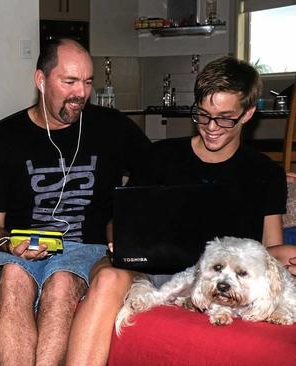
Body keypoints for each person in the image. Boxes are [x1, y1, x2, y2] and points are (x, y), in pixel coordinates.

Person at [66, 56, 296, 366]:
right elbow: (121, 220)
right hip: (152, 270)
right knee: (107, 278)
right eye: (203, 115)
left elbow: (268, 250)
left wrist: (290, 257)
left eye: (225, 118)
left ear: (248, 113)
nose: (211, 127)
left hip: (213, 277)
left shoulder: (265, 174)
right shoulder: (160, 155)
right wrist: (117, 240)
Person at [0, 38, 151, 365]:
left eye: (87, 82)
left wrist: (123, 220)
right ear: (41, 80)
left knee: (60, 282)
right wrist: (9, 242)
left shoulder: (112, 127)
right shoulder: (4, 137)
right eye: (69, 81)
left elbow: (158, 174)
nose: (80, 93)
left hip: (86, 248)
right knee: (13, 276)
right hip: (21, 246)